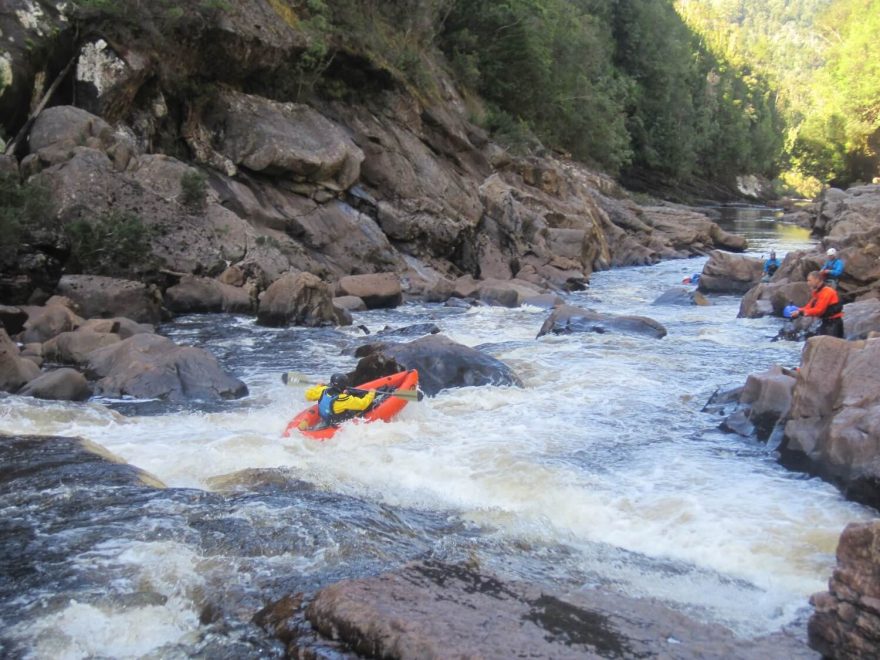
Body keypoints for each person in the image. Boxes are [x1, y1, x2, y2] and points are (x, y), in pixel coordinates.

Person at [304, 373, 376, 426]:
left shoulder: (323, 390)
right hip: (338, 422)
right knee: (361, 408)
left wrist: (318, 386)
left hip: (325, 418)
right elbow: (362, 404)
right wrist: (371, 394)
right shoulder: (343, 399)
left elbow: (308, 395)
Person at [789, 271, 844, 338]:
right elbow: (808, 307)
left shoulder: (827, 292)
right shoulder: (817, 292)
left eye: (809, 280)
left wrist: (800, 313)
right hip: (826, 322)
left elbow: (819, 310)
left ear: (817, 280)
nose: (808, 283)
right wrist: (796, 310)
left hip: (833, 325)